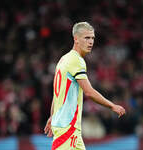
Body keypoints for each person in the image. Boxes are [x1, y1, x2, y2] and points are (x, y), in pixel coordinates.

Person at [44, 22, 126, 150]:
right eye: (87, 38)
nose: (91, 42)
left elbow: (57, 94)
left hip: (68, 128)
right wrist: (112, 105)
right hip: (68, 129)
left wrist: (52, 116)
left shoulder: (64, 59)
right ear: (76, 39)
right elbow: (89, 92)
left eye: (92, 38)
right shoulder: (77, 61)